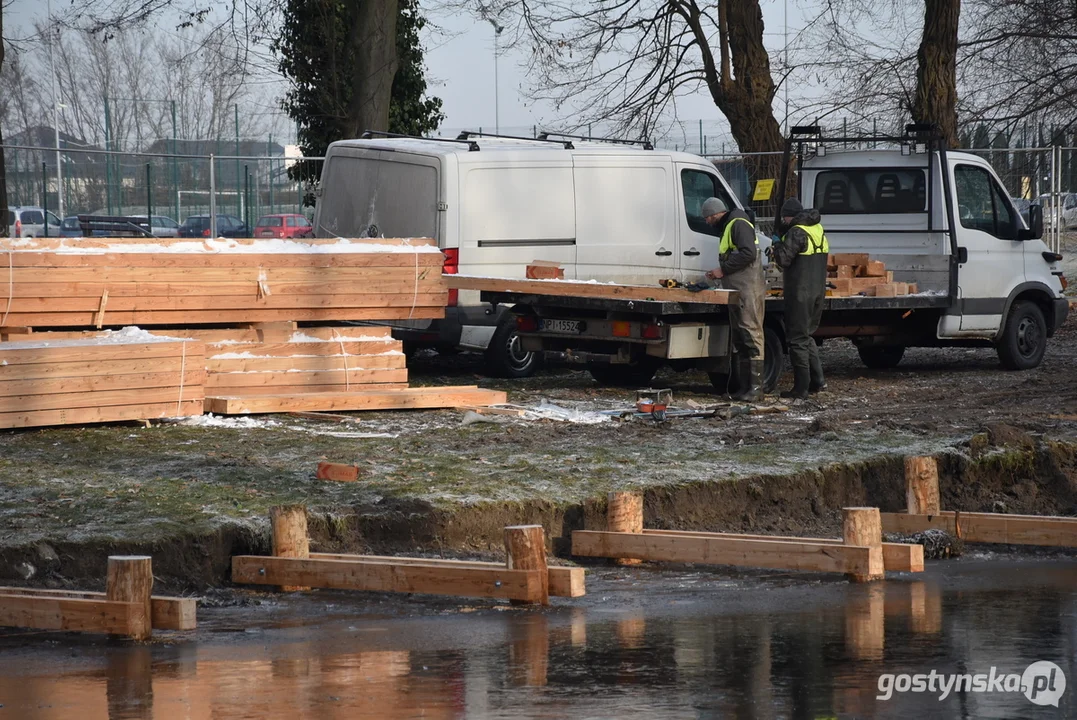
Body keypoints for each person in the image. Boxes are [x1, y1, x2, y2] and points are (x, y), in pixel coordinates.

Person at [702, 196, 766, 401]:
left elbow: (748, 254)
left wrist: (723, 269)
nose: (707, 222)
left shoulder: (738, 224)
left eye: (708, 218)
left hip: (747, 289)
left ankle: (756, 389)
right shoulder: (730, 226)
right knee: (740, 337)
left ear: (715, 214)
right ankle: (746, 387)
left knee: (751, 333)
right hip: (737, 289)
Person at [770, 197, 828, 399]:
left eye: (785, 218)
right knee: (807, 336)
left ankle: (801, 388)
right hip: (817, 292)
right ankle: (818, 381)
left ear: (789, 216)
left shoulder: (797, 232)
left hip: (799, 294)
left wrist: (777, 244)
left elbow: (784, 260)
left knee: (796, 340)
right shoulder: (818, 229)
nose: (784, 221)